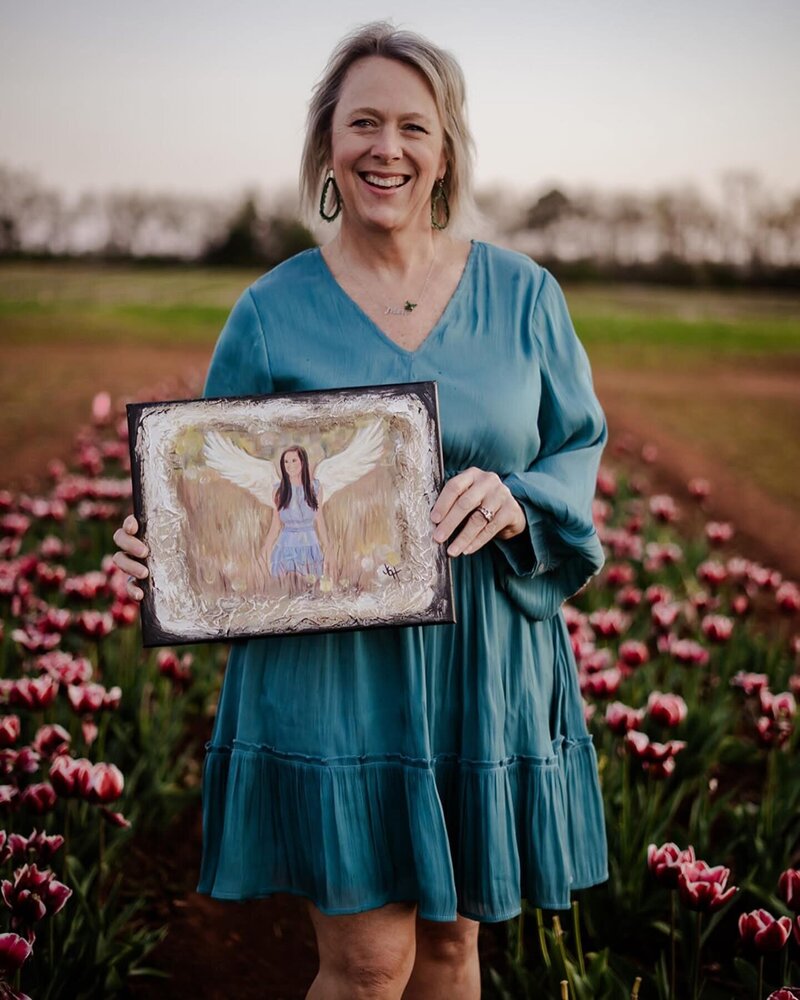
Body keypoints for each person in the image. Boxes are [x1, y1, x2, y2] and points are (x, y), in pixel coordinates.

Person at [112, 20, 610, 999]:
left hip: (479, 663)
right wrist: (166, 543)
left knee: (452, 952)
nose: (387, 148)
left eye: (412, 127)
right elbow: (212, 483)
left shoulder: (524, 297)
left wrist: (517, 499)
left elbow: (575, 449)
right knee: (366, 963)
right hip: (332, 671)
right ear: (329, 146)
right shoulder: (270, 309)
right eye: (363, 123)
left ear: (444, 149)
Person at [266, 447, 327, 582]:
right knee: (286, 586)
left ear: (303, 462)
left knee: (310, 587)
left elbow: (319, 519)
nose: (290, 465)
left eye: (294, 460)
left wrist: (329, 548)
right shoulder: (278, 490)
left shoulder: (315, 488)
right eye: (286, 462)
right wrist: (265, 549)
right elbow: (275, 525)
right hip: (285, 546)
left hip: (309, 545)